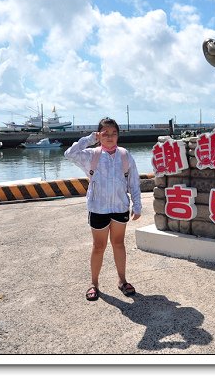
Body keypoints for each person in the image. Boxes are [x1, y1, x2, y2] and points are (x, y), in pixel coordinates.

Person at [64, 117, 142, 301]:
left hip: (119, 206)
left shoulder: (125, 155)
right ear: (99, 135)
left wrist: (137, 205)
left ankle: (122, 281)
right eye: (105, 133)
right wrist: (90, 139)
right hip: (98, 207)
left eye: (114, 133)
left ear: (118, 136)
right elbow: (69, 153)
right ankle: (94, 283)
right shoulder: (91, 155)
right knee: (98, 246)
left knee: (119, 243)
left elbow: (133, 182)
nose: (110, 136)